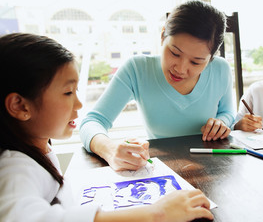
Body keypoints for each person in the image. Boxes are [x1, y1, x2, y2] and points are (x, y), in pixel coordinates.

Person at [0, 33, 214, 222]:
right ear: (20, 106)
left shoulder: (36, 146)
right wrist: (156, 214)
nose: (79, 104)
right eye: (67, 93)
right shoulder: (14, 167)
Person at [80, 0, 235, 171]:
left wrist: (221, 123)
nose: (181, 69)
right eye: (175, 53)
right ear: (162, 36)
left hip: (212, 166)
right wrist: (109, 149)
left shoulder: (220, 69)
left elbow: (227, 112)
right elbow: (92, 121)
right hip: (163, 168)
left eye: (196, 62)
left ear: (211, 58)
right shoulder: (137, 70)